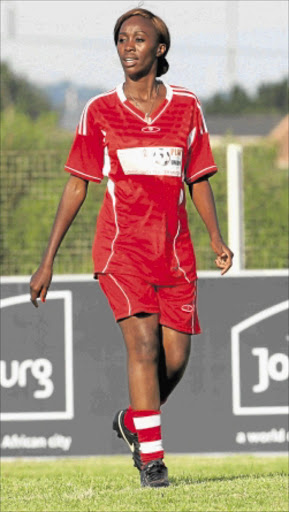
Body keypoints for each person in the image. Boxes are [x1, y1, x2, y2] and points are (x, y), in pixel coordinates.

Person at [30, 8, 233, 488]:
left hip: (176, 253)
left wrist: (215, 237)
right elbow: (78, 186)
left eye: (139, 39)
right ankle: (153, 462)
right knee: (142, 347)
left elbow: (197, 177)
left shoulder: (187, 106)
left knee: (175, 359)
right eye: (122, 39)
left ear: (159, 49)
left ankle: (132, 422)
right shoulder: (99, 111)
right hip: (122, 253)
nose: (128, 46)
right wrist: (48, 259)